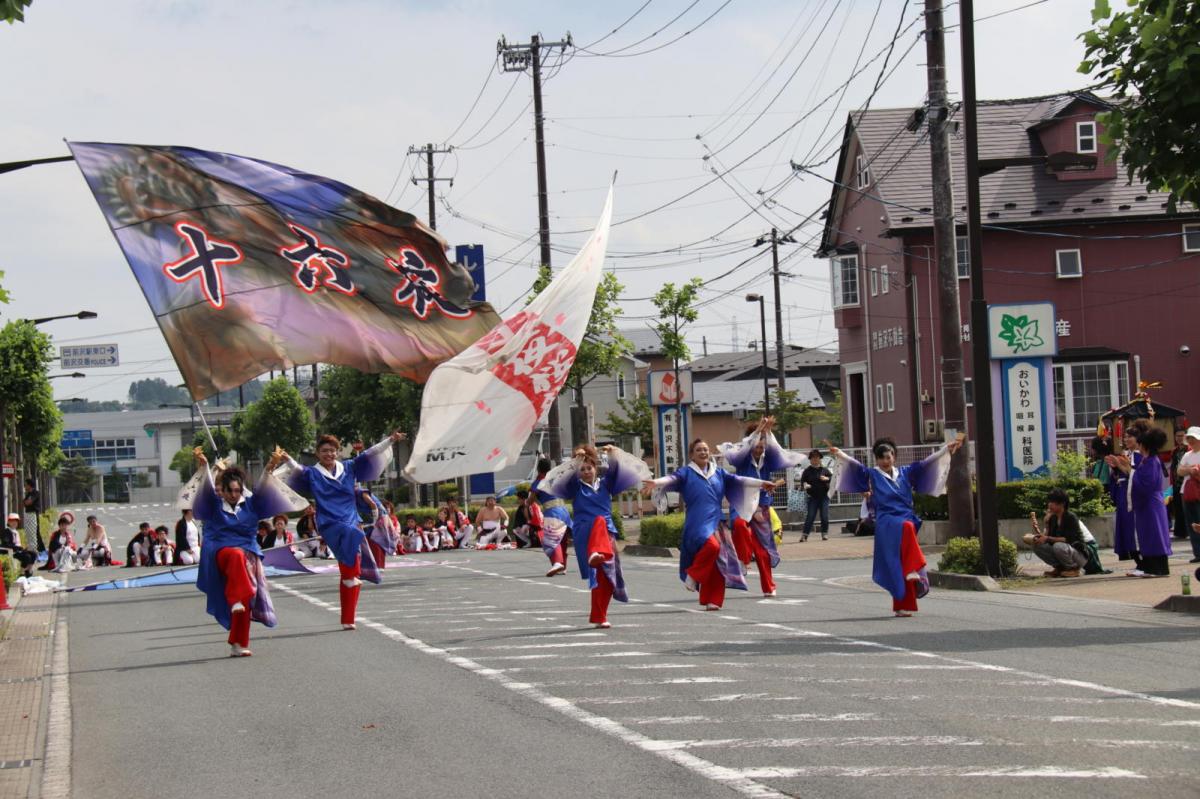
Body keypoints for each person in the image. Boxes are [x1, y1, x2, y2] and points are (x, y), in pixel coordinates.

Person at [277, 432, 404, 630]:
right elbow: (297, 469)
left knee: (350, 575)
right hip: (330, 523)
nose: (329, 454)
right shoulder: (313, 473)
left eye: (332, 451)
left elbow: (370, 453)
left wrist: (391, 439)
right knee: (353, 536)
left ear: (337, 452)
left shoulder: (348, 467)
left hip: (351, 520)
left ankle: (348, 618)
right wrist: (286, 459)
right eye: (324, 451)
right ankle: (353, 576)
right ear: (317, 454)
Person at [830, 435, 962, 617]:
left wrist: (945, 449)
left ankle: (902, 605)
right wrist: (841, 454)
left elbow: (926, 464)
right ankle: (914, 569)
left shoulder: (906, 472)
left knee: (901, 563)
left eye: (889, 456)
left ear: (894, 457)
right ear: (876, 459)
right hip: (887, 521)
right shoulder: (873, 474)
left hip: (905, 517)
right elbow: (855, 467)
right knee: (902, 545)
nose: (886, 460)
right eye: (882, 457)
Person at [189, 449, 296, 657]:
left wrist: (270, 466)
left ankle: (238, 644)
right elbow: (205, 489)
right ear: (222, 490)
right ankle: (235, 598)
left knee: (246, 597)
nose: (233, 494)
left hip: (248, 555)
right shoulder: (214, 506)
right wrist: (204, 467)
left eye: (237, 490)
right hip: (221, 553)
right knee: (237, 560)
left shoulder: (250, 505)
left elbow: (264, 487)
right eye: (229, 490)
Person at [650, 438, 773, 611]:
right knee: (713, 547)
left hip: (717, 521)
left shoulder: (719, 473)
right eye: (699, 450)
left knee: (719, 561)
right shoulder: (686, 473)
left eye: (705, 449)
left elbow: (740, 480)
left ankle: (712, 600)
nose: (703, 452)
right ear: (692, 454)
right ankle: (693, 574)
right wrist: (655, 482)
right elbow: (670, 478)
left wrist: (762, 484)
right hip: (696, 523)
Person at [542, 444, 649, 628]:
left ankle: (599, 616)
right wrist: (575, 460)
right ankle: (594, 552)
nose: (585, 472)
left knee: (607, 576)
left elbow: (615, 471)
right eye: (582, 469)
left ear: (595, 468)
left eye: (588, 468)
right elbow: (564, 476)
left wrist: (613, 453)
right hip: (585, 531)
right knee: (599, 522)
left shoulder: (606, 485)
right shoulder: (575, 487)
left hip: (607, 533)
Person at [720, 417, 802, 597]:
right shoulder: (741, 458)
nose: (759, 446)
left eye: (762, 443)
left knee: (763, 551)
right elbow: (743, 449)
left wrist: (768, 432)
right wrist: (757, 431)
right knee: (740, 526)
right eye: (756, 443)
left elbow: (778, 451)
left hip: (761, 506)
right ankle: (744, 559)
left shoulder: (769, 459)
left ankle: (769, 587)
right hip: (742, 502)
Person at [1107, 425, 1173, 577]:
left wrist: (1127, 469)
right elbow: (1137, 477)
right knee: (1147, 536)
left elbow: (1145, 483)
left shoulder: (1151, 461)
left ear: (1145, 445)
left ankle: (1157, 569)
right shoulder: (1147, 460)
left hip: (1150, 503)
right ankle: (1149, 567)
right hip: (1146, 504)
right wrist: (1124, 468)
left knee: (1153, 536)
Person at [1029, 488, 1088, 577]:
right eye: (1049, 502)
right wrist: (1041, 532)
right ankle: (1059, 568)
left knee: (1058, 545)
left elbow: (1067, 539)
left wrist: (1047, 538)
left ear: (1062, 503)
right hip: (1063, 550)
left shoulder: (1071, 517)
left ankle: (1074, 569)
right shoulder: (1053, 518)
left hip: (1078, 556)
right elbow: (1048, 539)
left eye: (1053, 502)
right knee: (1037, 545)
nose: (1050, 505)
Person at [531, 458, 571, 577]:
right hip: (564, 510)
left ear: (538, 468)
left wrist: (531, 497)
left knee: (551, 539)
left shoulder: (539, 482)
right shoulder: (555, 477)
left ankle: (558, 562)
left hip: (553, 512)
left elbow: (530, 500)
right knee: (562, 539)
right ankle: (563, 566)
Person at [1176, 426, 1200, 564]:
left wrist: (1191, 470)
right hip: (1187, 492)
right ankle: (1197, 552)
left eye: (1193, 438)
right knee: (1192, 524)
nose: (1190, 440)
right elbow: (1179, 470)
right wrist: (1190, 470)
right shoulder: (1187, 455)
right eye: (1189, 438)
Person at [799, 448, 834, 541]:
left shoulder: (825, 470)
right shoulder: (807, 471)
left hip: (824, 497)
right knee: (810, 516)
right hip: (812, 497)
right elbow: (802, 482)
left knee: (824, 516)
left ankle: (825, 533)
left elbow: (833, 479)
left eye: (817, 458)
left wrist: (826, 479)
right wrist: (805, 485)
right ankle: (805, 535)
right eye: (813, 458)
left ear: (820, 459)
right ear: (810, 459)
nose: (815, 459)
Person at [1, 513, 37, 577]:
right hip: (12, 552)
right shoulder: (6, 531)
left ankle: (28, 570)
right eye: (12, 521)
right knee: (27, 556)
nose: (14, 523)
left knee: (34, 554)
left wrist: (23, 548)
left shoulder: (16, 531)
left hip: (19, 550)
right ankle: (22, 572)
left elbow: (18, 543)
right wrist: (19, 548)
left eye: (16, 521)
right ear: (8, 522)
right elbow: (6, 544)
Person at [1169, 429, 1189, 540]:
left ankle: (1188, 530)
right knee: (1177, 507)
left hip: (1187, 481)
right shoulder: (1175, 451)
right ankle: (1179, 531)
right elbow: (1173, 467)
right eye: (1177, 436)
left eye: (1182, 436)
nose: (1179, 438)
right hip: (1177, 482)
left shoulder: (1189, 449)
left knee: (1186, 507)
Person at [22, 478, 44, 553]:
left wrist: (26, 502)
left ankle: (38, 549)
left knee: (35, 531)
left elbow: (28, 502)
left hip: (34, 514)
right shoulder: (28, 494)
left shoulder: (35, 493)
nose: (25, 486)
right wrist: (26, 502)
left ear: (29, 485)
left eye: (26, 484)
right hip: (28, 514)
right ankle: (35, 548)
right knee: (29, 532)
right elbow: (24, 503)